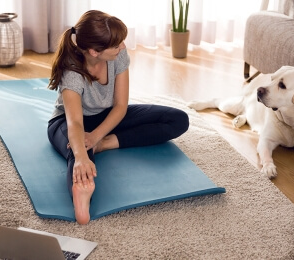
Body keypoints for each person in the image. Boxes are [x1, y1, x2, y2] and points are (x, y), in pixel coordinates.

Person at [47, 10, 189, 224]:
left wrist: (96, 138)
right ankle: (81, 194)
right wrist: (82, 157)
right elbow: (75, 122)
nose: (122, 47)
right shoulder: (72, 71)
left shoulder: (118, 55)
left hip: (109, 116)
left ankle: (107, 144)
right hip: (67, 122)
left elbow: (121, 106)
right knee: (78, 153)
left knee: (178, 119)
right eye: (116, 45)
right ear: (94, 51)